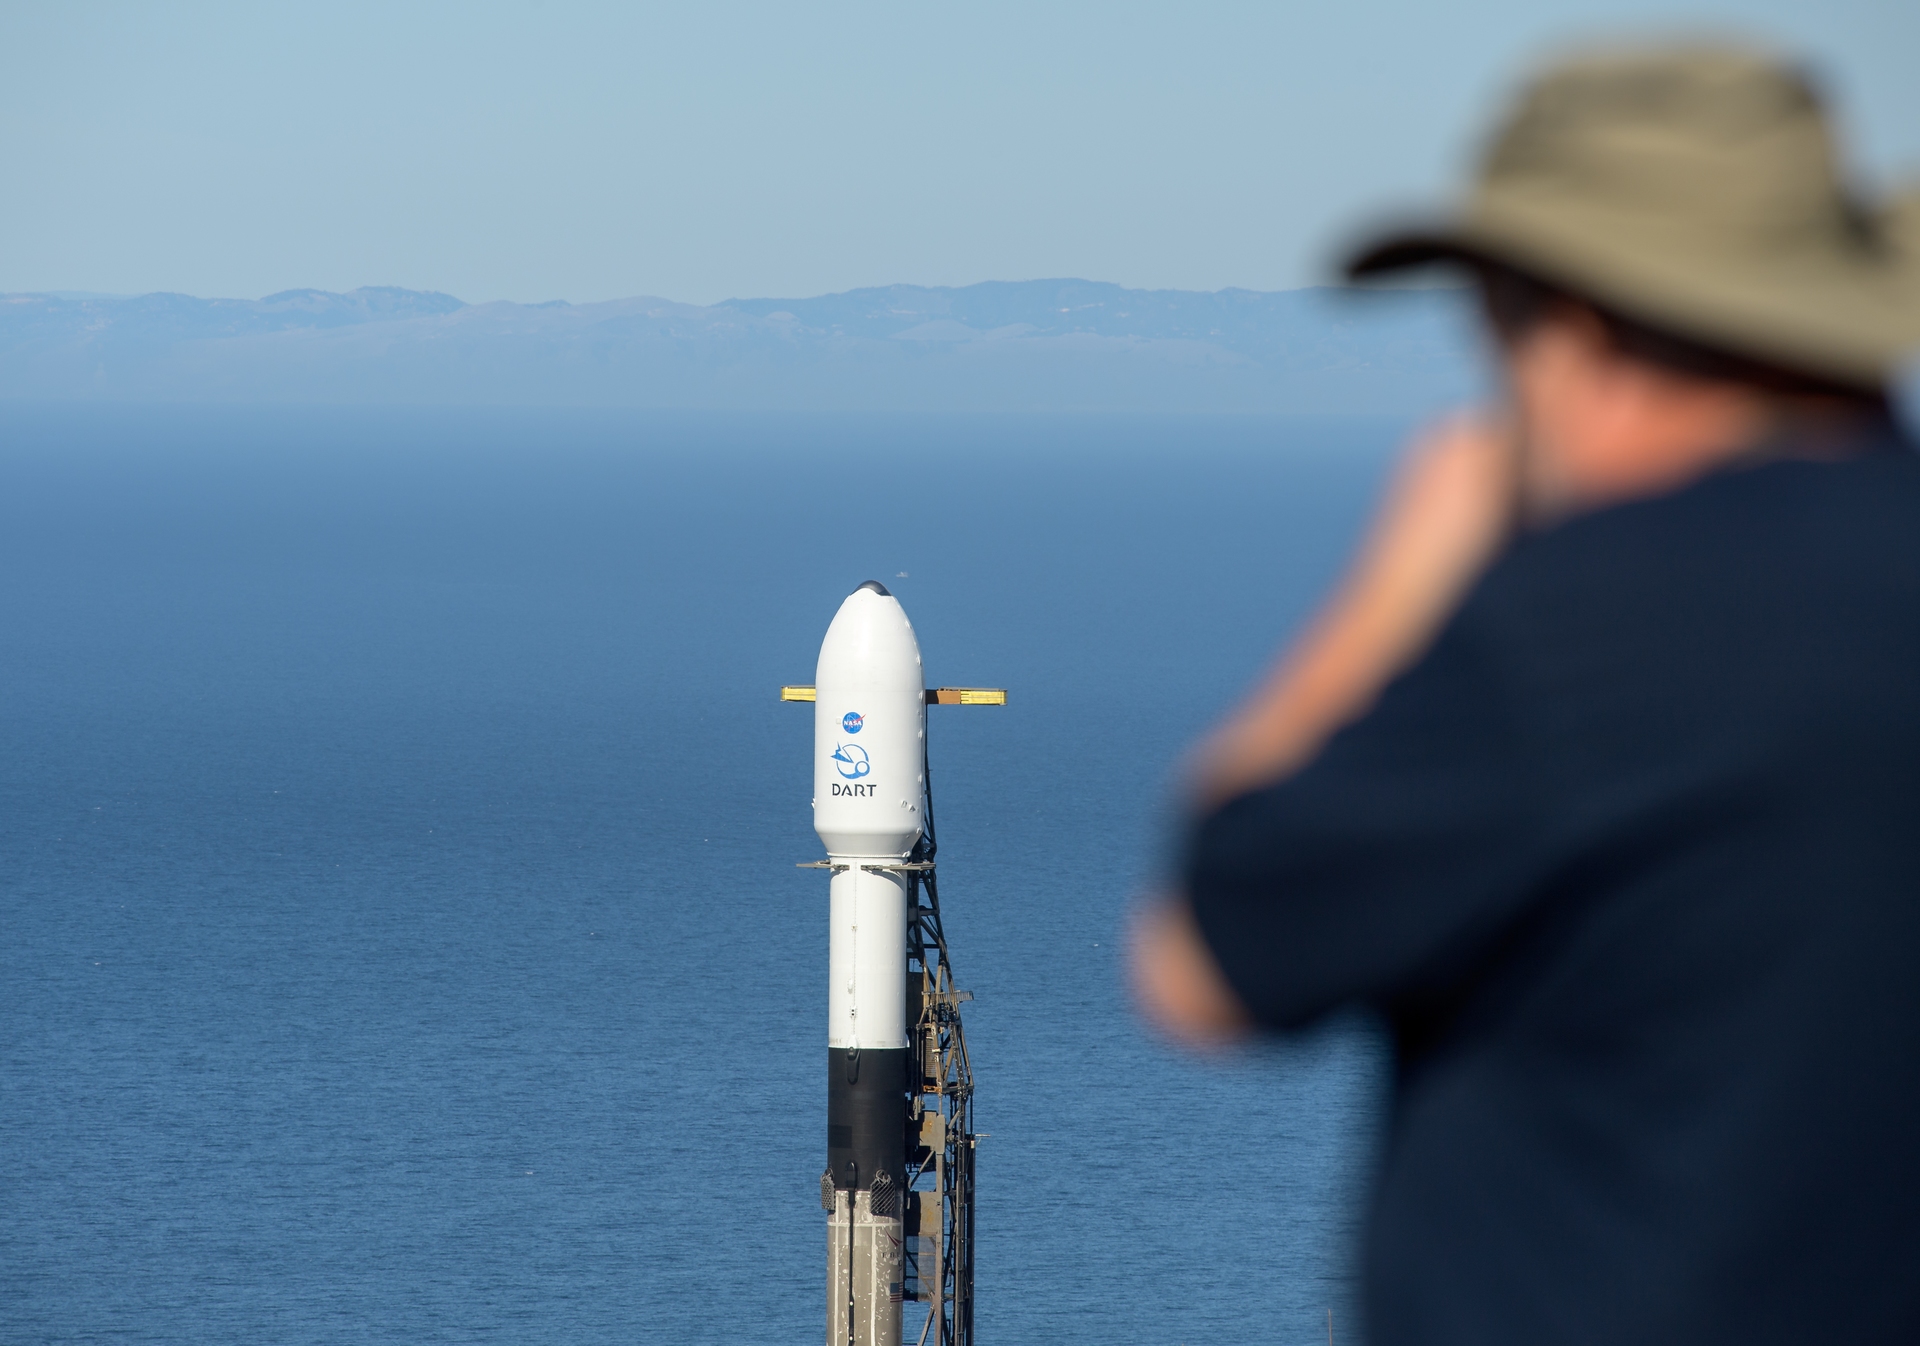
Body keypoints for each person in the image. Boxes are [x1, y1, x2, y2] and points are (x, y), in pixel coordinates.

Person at [1130, 44, 1920, 1345]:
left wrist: (1399, 588)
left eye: (1496, 326)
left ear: (1580, 331)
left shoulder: (1582, 630)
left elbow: (1205, 958)